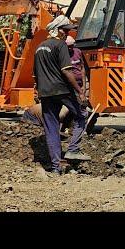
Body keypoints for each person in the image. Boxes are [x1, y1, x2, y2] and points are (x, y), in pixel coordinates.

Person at [33, 15, 90, 175]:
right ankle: (73, 149)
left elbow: (36, 74)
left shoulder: (39, 48)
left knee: (51, 128)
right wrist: (80, 92)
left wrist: (38, 91)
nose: (67, 34)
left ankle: (56, 168)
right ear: (57, 30)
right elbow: (66, 70)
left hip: (45, 92)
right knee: (82, 115)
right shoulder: (60, 45)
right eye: (65, 31)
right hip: (61, 90)